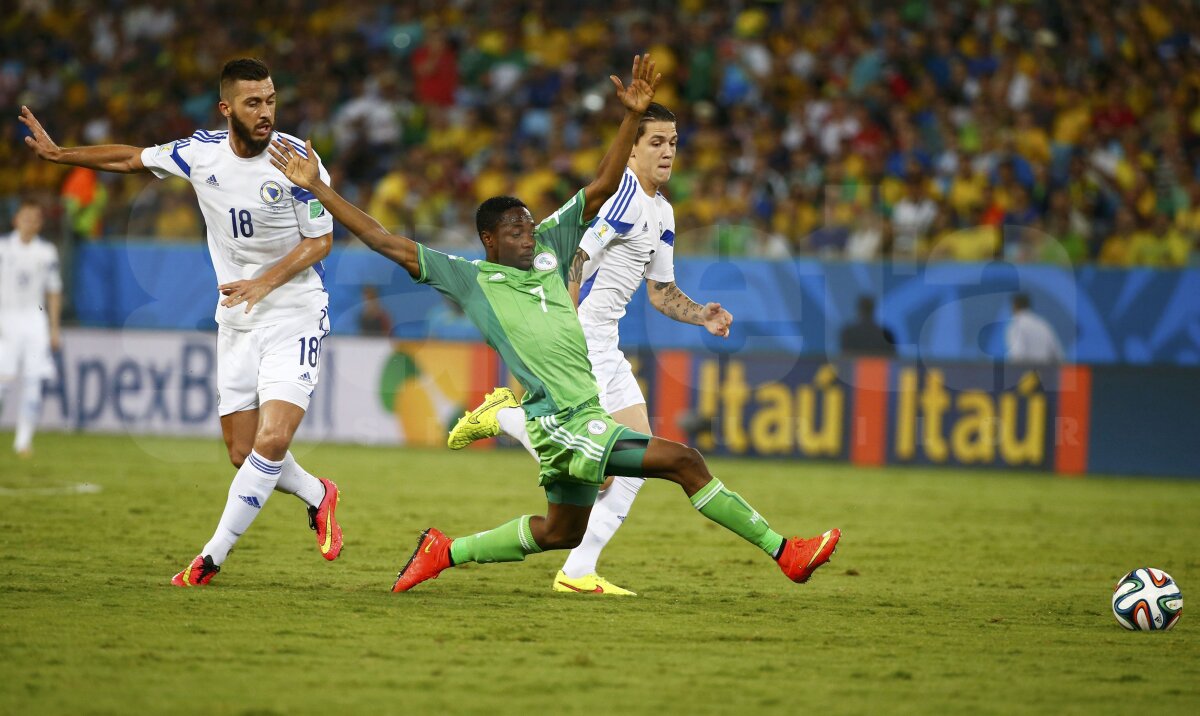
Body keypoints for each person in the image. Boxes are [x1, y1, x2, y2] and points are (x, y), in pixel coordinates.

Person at [267, 54, 841, 593]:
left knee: (561, 531)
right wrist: (318, 186)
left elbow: (598, 187)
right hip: (561, 417)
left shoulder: (549, 244)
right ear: (489, 241)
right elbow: (381, 239)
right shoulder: (469, 278)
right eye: (515, 229)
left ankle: (444, 550)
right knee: (682, 461)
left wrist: (631, 117)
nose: (528, 232)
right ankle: (785, 554)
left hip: (581, 410)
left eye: (528, 222)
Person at [19, 58, 342, 586]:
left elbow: (321, 240)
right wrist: (60, 155)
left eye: (271, 100)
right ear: (227, 108)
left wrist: (265, 281)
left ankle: (210, 558)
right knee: (242, 452)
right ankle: (316, 492)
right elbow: (130, 158)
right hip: (237, 316)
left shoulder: (299, 161)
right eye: (253, 103)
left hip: (295, 313)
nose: (265, 113)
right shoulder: (200, 152)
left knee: (273, 440)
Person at [445, 102, 733, 596]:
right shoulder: (622, 200)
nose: (667, 153)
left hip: (608, 342)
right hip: (582, 342)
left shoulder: (661, 209)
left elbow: (660, 291)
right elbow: (574, 257)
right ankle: (507, 418)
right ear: (634, 151)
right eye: (656, 143)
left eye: (673, 143)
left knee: (633, 465)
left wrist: (701, 315)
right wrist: (563, 328)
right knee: (602, 469)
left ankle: (577, 570)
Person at [0, 200, 61, 458]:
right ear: (16, 220)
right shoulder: (2, 248)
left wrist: (54, 329)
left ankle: (23, 442)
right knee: (2, 382)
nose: (30, 222)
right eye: (26, 217)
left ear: (40, 224)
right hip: (5, 318)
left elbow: (54, 291)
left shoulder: (47, 252)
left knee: (34, 381)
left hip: (35, 321)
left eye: (35, 218)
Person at [1006, 293, 1064, 363]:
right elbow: (1058, 355)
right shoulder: (1043, 324)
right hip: (1045, 372)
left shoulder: (1016, 325)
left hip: (1025, 372)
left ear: (1015, 305)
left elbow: (1017, 355)